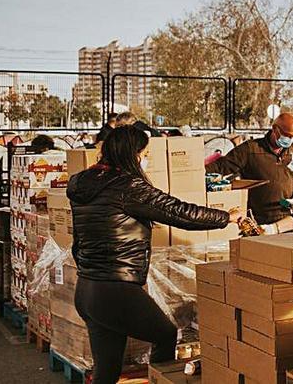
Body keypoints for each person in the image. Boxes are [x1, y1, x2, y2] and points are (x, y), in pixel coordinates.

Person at [66, 126, 237, 384]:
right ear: (132, 154)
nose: (145, 159)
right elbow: (179, 212)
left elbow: (78, 240)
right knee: (165, 334)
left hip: (88, 289)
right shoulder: (127, 186)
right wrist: (226, 217)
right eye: (144, 153)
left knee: (107, 369)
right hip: (116, 289)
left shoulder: (82, 183)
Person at [206, 113, 293, 225]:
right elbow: (222, 166)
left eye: (292, 137)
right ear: (275, 129)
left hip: (286, 218)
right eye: (286, 135)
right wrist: (197, 173)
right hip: (257, 218)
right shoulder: (251, 149)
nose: (289, 140)